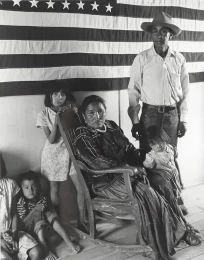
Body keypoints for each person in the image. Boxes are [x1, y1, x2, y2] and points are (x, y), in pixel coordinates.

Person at [74, 95, 201, 260]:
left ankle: (180, 228)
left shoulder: (111, 126)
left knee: (160, 181)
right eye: (91, 113)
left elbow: (128, 148)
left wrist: (141, 162)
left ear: (105, 112)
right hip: (106, 182)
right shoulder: (83, 136)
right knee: (147, 193)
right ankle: (158, 248)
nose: (97, 116)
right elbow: (97, 162)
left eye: (100, 111)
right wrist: (129, 169)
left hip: (128, 173)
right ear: (83, 116)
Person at [127, 11, 189, 212]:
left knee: (170, 156)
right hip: (150, 115)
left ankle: (175, 199)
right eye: (155, 31)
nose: (159, 35)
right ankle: (154, 202)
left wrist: (183, 119)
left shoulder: (178, 59)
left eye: (164, 31)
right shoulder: (142, 58)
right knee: (149, 157)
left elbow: (185, 92)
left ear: (170, 34)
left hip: (172, 115)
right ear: (151, 34)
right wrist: (136, 121)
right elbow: (133, 90)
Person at [36, 83, 85, 227]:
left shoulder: (71, 108)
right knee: (54, 188)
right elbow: (51, 140)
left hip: (72, 152)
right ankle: (58, 222)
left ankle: (82, 221)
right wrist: (57, 123)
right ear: (49, 95)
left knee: (81, 186)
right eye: (56, 94)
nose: (59, 97)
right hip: (54, 154)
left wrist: (72, 112)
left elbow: (79, 128)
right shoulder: (44, 113)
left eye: (63, 94)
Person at [16, 171, 80, 260]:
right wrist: (36, 211)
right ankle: (45, 248)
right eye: (26, 188)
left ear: (38, 186)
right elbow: (22, 222)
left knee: (47, 212)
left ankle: (67, 240)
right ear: (21, 189)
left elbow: (45, 210)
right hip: (29, 230)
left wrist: (38, 210)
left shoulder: (41, 195)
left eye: (33, 186)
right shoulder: (21, 201)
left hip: (43, 226)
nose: (30, 190)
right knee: (39, 211)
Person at [0, 156, 43, 260]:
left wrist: (14, 233)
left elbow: (14, 213)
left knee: (37, 252)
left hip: (12, 232)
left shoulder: (10, 184)